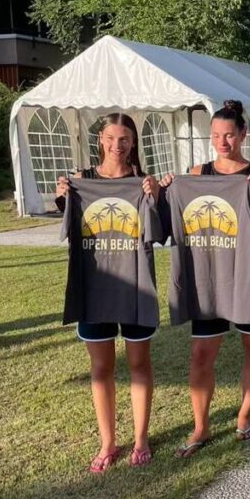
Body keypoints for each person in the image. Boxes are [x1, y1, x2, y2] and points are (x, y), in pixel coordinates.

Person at [161, 101, 250, 455]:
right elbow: (172, 213)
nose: (223, 142)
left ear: (243, 134)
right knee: (200, 353)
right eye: (215, 136)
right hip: (209, 275)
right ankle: (200, 426)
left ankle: (244, 415)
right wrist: (168, 187)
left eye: (229, 135)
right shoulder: (196, 173)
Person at [55, 113, 160, 473]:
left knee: (139, 363)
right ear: (100, 139)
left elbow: (160, 229)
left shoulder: (142, 183)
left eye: (125, 138)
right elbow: (66, 219)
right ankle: (108, 442)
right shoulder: (81, 181)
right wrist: (63, 196)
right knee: (101, 368)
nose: (118, 145)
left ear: (134, 142)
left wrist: (157, 195)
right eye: (112, 138)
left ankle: (141, 438)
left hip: (136, 287)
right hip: (94, 288)